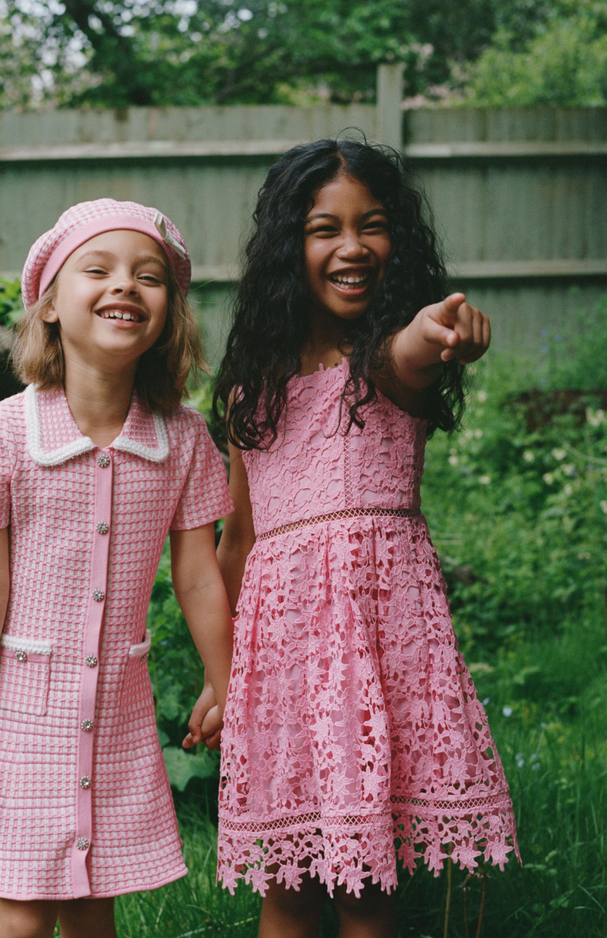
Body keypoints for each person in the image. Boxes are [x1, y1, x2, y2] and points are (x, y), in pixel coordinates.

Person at [185, 138, 519, 938]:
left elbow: (415, 349)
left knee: (365, 887)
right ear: (286, 245)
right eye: (323, 227)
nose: (352, 246)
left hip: (375, 659)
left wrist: (442, 329)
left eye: (371, 226)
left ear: (397, 240)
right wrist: (221, 676)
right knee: (291, 884)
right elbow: (239, 543)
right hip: (282, 666)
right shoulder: (250, 386)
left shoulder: (388, 360)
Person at [0, 199, 234, 938]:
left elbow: (198, 576)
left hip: (118, 716)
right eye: (99, 269)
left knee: (96, 907)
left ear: (169, 313)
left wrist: (227, 682)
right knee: (23, 916)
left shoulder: (182, 438)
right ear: (51, 303)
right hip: (22, 717)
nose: (125, 286)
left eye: (148, 276)